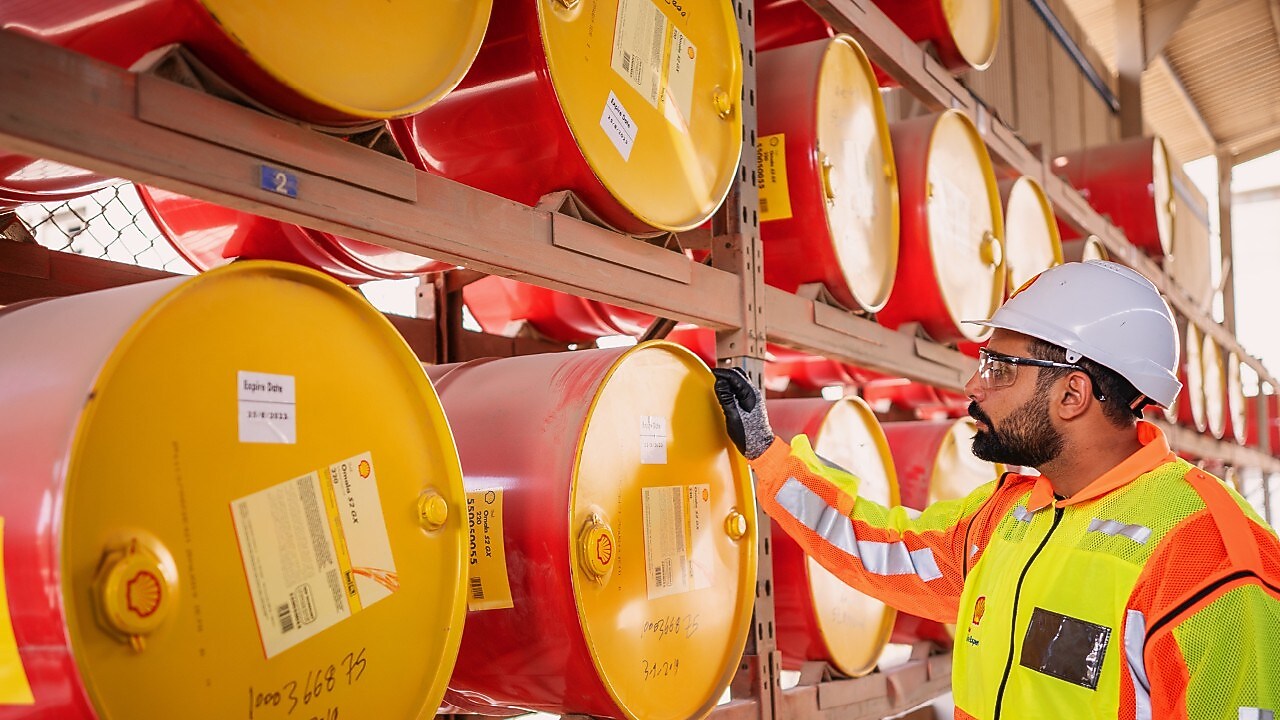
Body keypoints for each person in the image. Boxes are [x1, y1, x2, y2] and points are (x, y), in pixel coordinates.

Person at [713, 260, 1280, 719]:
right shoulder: (1009, 519)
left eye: (1000, 368)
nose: (973, 385)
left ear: (1073, 395)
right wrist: (768, 456)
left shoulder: (1209, 551)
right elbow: (878, 546)